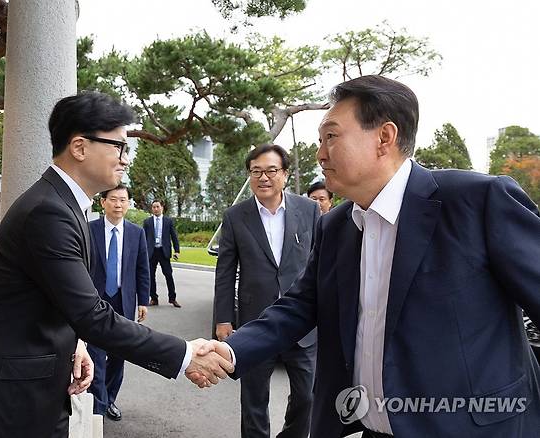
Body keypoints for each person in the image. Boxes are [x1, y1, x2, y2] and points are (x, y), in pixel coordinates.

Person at [199, 75, 540, 437]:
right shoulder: (335, 228)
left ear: (384, 138)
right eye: (319, 141)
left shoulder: (477, 202)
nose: (320, 154)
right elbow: (298, 307)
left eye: (331, 136)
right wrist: (230, 351)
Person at [0, 92, 233, 437]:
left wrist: (76, 343)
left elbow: (55, 298)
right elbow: (91, 314)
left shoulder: (62, 203)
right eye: (118, 146)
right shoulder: (48, 211)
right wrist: (184, 354)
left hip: (30, 388)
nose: (124, 159)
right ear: (80, 147)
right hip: (11, 400)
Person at [214, 144, 320, 438]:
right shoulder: (236, 216)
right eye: (256, 171)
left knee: (307, 396)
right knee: (254, 400)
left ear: (285, 174)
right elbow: (225, 271)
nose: (263, 177)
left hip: (302, 323)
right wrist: (223, 319)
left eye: (271, 170)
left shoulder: (308, 210)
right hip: (255, 322)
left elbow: (320, 264)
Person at [88, 184, 149, 422]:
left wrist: (143, 300)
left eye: (123, 200)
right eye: (113, 199)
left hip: (124, 301)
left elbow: (143, 269)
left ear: (128, 203)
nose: (118, 204)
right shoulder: (89, 229)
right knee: (95, 353)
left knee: (119, 354)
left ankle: (109, 398)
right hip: (95, 301)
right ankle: (98, 403)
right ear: (103, 202)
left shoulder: (136, 233)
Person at [143, 200, 181, 307]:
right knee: (150, 276)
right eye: (154, 207)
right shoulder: (147, 222)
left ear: (162, 208)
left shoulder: (168, 221)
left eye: (157, 207)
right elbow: (143, 238)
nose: (155, 209)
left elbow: (174, 237)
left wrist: (177, 251)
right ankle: (154, 298)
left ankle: (172, 298)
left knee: (168, 275)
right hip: (151, 252)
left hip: (164, 252)